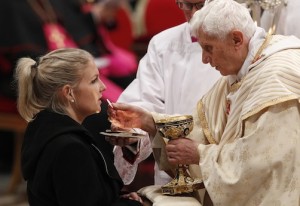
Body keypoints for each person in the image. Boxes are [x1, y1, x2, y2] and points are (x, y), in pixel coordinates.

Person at [107, 0, 300, 204]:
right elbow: (201, 125)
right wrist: (150, 122)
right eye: (184, 4)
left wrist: (201, 154)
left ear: (237, 39)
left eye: (208, 48)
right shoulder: (241, 68)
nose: (204, 59)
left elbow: (263, 160)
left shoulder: (275, 78)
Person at [112, 0, 221, 186]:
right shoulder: (163, 44)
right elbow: (145, 99)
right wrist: (132, 132)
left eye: (200, 6)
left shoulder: (240, 39)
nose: (194, 14)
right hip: (173, 171)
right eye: (187, 5)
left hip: (222, 169)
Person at [15, 48, 143, 206]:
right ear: (69, 93)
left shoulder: (45, 130)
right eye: (94, 80)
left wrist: (120, 198)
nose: (103, 87)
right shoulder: (70, 148)